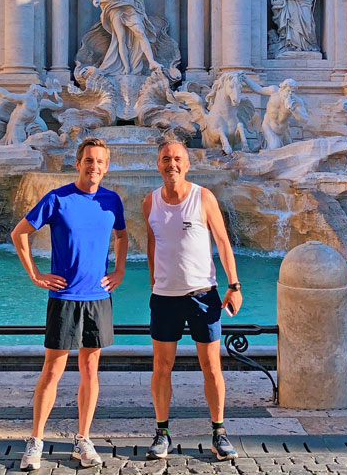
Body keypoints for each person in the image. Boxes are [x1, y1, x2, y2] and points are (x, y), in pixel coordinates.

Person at [11, 138, 128, 470]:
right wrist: (35, 274)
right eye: (89, 160)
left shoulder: (112, 200)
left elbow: (122, 235)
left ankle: (83, 438)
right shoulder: (57, 198)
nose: (94, 167)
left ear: (106, 167)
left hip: (98, 297)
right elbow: (19, 233)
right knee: (52, 371)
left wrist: (119, 270)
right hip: (64, 297)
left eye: (100, 162)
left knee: (91, 369)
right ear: (78, 163)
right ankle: (36, 440)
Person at [142, 139, 242, 461]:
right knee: (161, 367)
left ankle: (219, 431)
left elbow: (224, 243)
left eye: (177, 159)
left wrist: (234, 285)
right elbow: (152, 245)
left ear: (187, 164)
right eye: (165, 158)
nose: (172, 163)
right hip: (164, 298)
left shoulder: (204, 197)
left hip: (203, 295)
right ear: (158, 164)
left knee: (211, 367)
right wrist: (154, 283)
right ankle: (162, 432)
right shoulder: (149, 202)